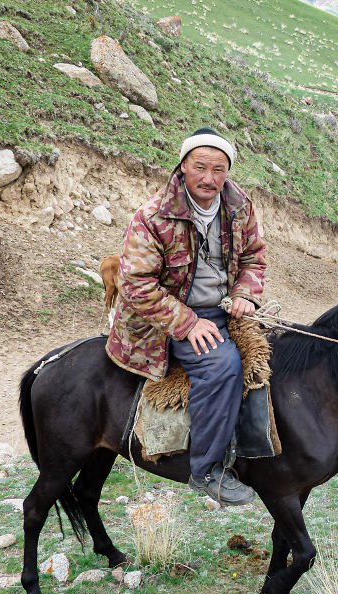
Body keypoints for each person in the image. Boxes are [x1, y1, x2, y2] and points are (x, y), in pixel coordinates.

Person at [106, 127, 266, 505]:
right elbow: (136, 284)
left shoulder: (239, 205)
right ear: (183, 166)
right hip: (162, 320)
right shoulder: (152, 216)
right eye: (200, 167)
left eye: (218, 169)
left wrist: (245, 293)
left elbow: (254, 257)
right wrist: (187, 323)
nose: (209, 178)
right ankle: (207, 470)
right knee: (222, 365)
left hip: (222, 309)